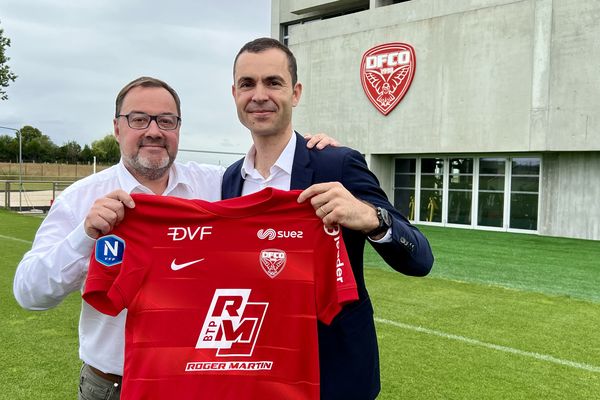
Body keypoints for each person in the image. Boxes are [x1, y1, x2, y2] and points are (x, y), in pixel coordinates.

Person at [12, 76, 336, 400]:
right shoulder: (81, 199)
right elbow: (29, 292)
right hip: (114, 385)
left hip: (198, 384)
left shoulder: (217, 185)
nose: (154, 131)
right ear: (117, 128)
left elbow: (270, 183)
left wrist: (313, 155)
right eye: (138, 119)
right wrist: (84, 237)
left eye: (166, 121)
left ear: (178, 129)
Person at [222, 37, 435, 400]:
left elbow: (420, 258)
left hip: (333, 374)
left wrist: (370, 217)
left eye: (273, 82)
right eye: (247, 84)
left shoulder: (336, 163)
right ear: (235, 94)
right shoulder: (231, 179)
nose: (259, 95)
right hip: (260, 370)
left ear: (296, 92)